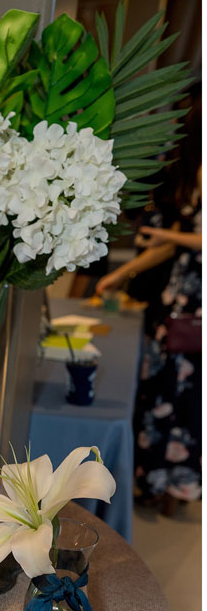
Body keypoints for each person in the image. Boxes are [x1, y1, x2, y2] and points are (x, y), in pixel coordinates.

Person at [95, 131, 201, 508]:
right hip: (176, 300)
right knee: (162, 388)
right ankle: (155, 479)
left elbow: (185, 239)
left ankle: (176, 484)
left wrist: (164, 234)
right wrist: (121, 274)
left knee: (187, 397)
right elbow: (173, 243)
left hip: (193, 305)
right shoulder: (192, 175)